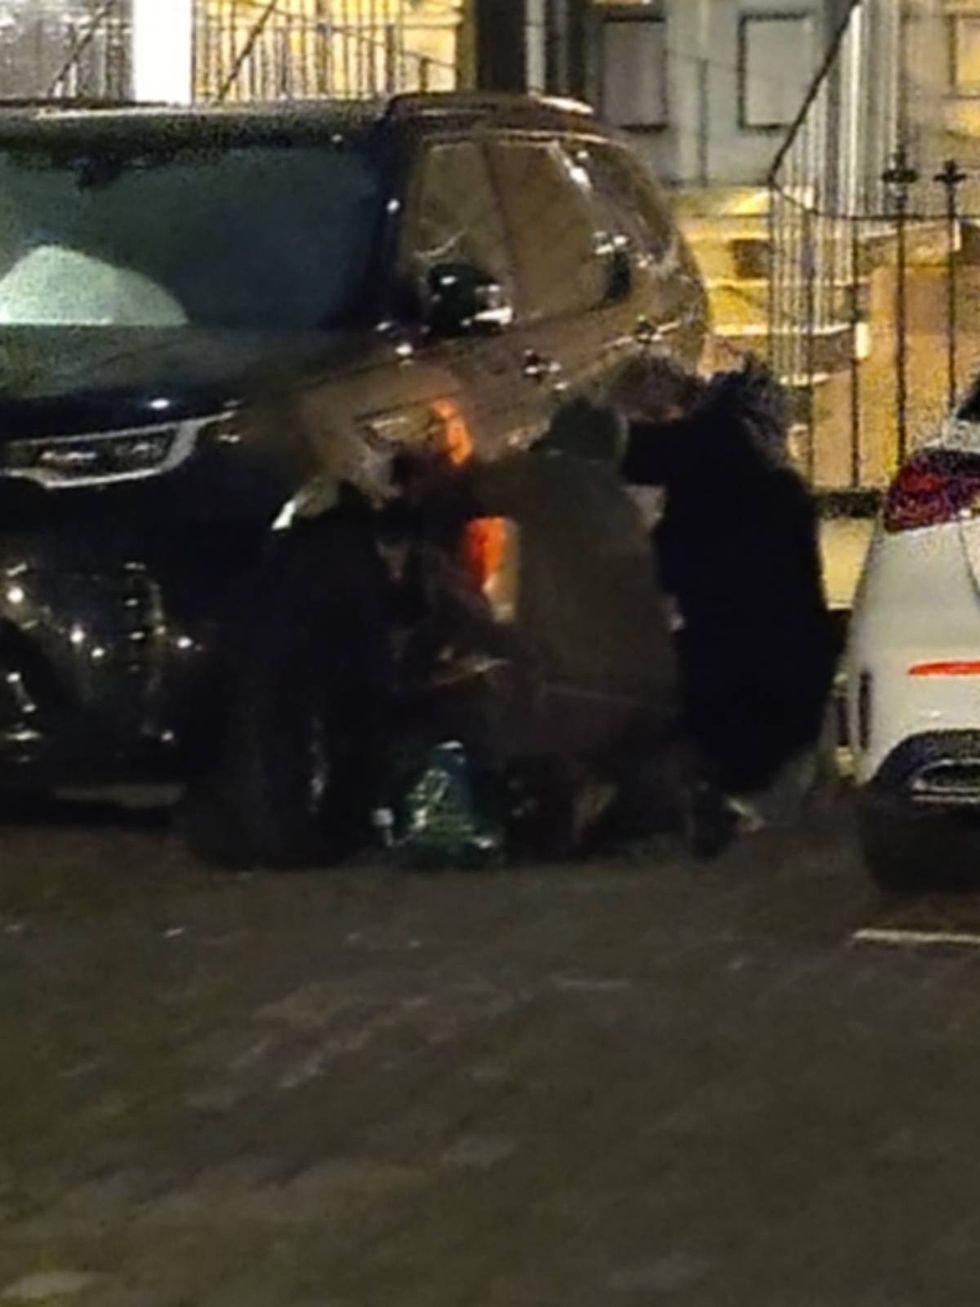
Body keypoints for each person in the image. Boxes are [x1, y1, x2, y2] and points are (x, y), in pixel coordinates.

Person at [607, 354, 838, 842]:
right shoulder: (760, 467)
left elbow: (636, 460)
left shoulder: (709, 455)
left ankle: (719, 794)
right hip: (789, 654)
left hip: (744, 666)